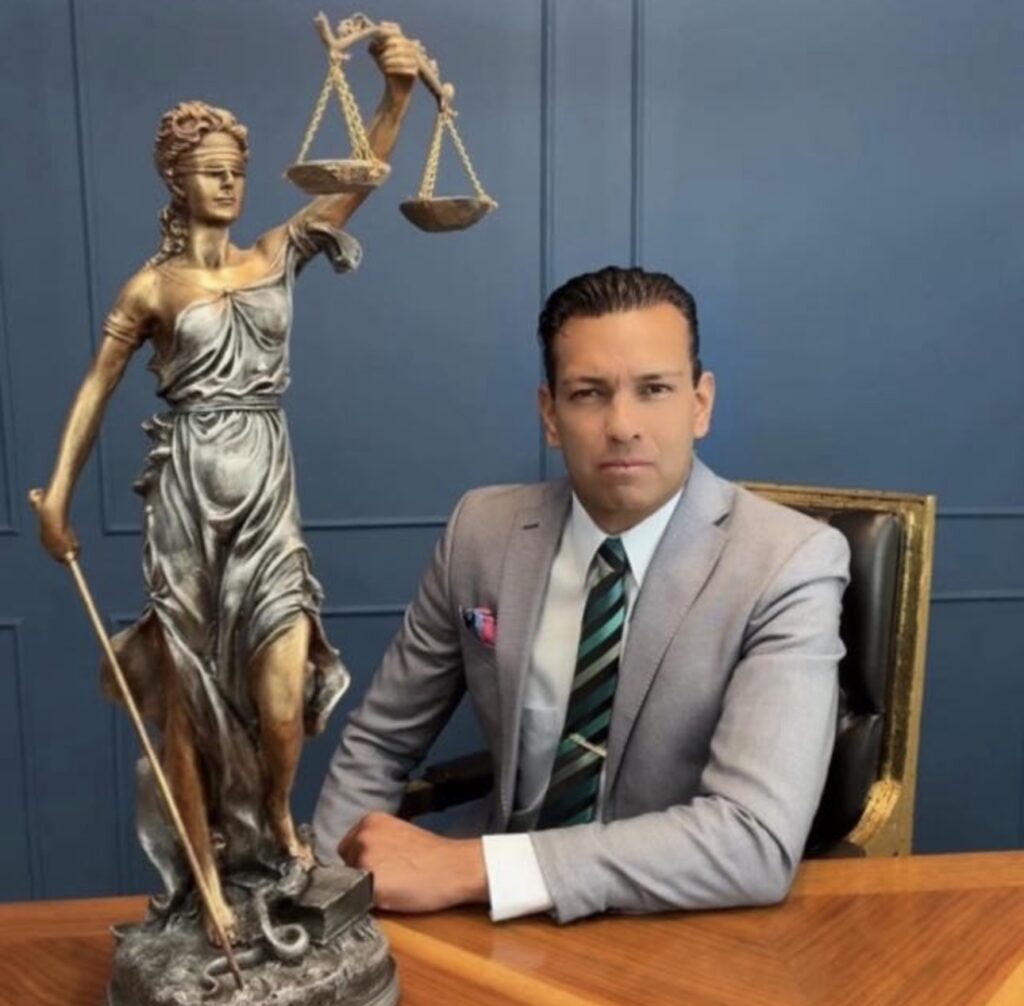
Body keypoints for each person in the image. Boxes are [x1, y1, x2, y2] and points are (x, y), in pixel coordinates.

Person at [33, 30, 420, 944]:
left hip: (267, 497)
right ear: (176, 180)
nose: (230, 183)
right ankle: (206, 878)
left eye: (237, 171)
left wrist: (395, 97)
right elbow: (96, 389)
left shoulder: (277, 252)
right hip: (186, 504)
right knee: (190, 697)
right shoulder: (151, 289)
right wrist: (57, 497)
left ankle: (277, 815)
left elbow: (356, 182)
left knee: (282, 698)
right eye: (211, 171)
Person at [312, 266, 850, 923]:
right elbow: (380, 743)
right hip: (483, 916)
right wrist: (323, 901)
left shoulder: (790, 561)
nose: (622, 425)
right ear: (550, 413)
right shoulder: (480, 530)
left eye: (654, 389)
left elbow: (752, 839)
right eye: (589, 393)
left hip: (674, 920)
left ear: (700, 404)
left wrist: (476, 868)